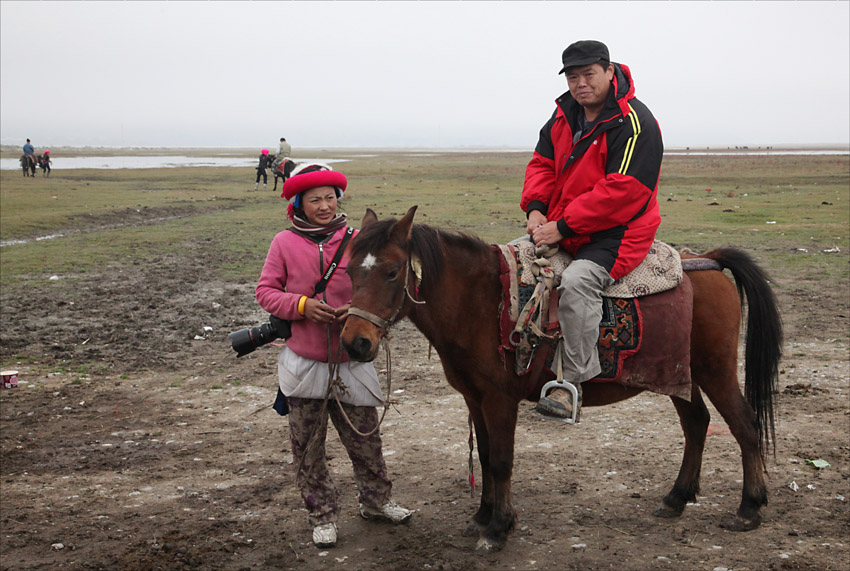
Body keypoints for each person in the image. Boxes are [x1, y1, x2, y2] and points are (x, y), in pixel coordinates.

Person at [256, 163, 412, 548]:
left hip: (350, 359)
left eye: (330, 198)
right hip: (304, 361)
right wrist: (302, 305)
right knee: (308, 446)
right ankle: (321, 514)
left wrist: (355, 311)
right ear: (299, 204)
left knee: (365, 439)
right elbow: (266, 291)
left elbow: (375, 285)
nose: (324, 206)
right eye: (315, 200)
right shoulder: (284, 243)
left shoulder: (359, 240)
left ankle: (377, 501)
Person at [521, 40, 663, 421]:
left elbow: (624, 191)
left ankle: (571, 384)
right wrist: (536, 210)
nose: (580, 83)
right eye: (572, 76)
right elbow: (542, 165)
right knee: (510, 264)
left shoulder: (634, 122)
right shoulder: (562, 116)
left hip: (619, 231)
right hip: (561, 225)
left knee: (579, 282)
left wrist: (562, 227)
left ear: (608, 71)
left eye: (588, 74)